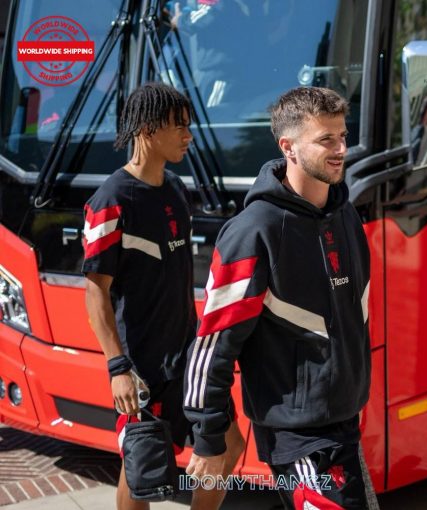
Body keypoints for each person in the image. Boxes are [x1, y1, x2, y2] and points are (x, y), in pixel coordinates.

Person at [184, 86, 372, 509]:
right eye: (326, 139)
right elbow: (211, 345)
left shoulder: (345, 214)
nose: (341, 148)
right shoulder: (253, 231)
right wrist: (208, 435)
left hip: (346, 421)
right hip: (298, 438)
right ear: (287, 146)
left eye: (342, 136)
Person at [82, 82, 244, 510]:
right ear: (149, 130)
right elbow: (95, 293)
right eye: (180, 127)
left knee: (229, 446)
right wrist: (117, 366)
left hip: (188, 356)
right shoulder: (110, 201)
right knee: (144, 471)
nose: (189, 136)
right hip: (142, 363)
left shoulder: (176, 189)